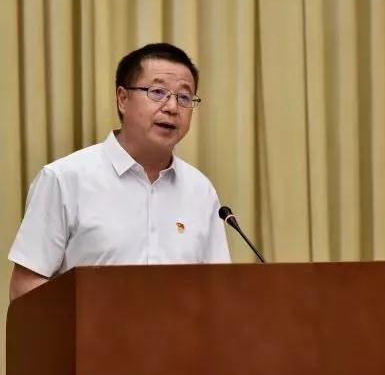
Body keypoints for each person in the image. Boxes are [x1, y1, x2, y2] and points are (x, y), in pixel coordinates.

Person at [8, 43, 231, 300]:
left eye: (184, 97)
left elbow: (218, 290)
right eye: (158, 92)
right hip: (89, 328)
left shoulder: (200, 191)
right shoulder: (64, 179)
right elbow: (24, 288)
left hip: (179, 328)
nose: (172, 107)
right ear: (123, 99)